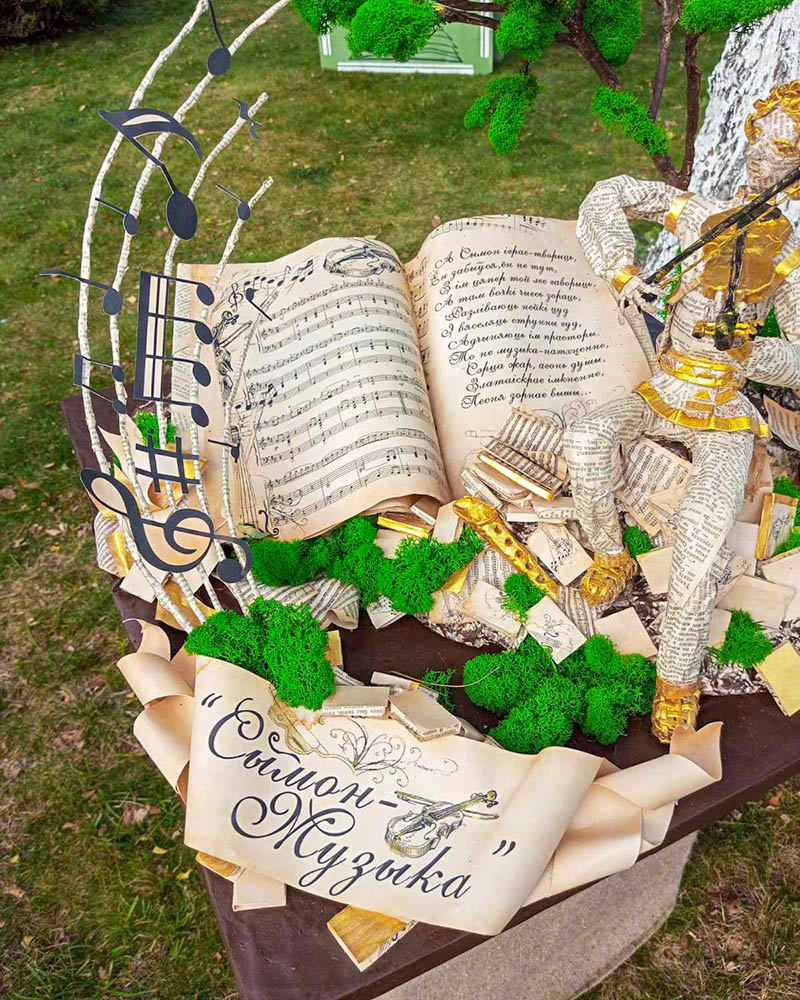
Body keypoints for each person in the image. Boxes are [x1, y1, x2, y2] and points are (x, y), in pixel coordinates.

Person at [563, 82, 800, 742]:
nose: (761, 160)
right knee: (586, 440)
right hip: (664, 389)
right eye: (758, 143)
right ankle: (611, 555)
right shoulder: (700, 217)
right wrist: (622, 270)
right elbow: (609, 194)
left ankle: (677, 678)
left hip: (724, 409)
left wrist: (753, 354)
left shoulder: (788, 258)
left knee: (700, 543)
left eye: (782, 152)